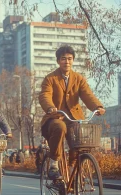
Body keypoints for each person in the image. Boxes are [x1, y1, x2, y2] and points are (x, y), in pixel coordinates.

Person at [39, 45, 105, 179]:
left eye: (69, 59)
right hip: (55, 118)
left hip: (74, 118)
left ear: (73, 60)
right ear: (58, 61)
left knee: (80, 139)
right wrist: (50, 107)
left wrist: (97, 106)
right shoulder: (50, 78)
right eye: (63, 59)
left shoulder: (78, 78)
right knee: (60, 127)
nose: (67, 62)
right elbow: (44, 95)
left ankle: (72, 169)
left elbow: (88, 95)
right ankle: (54, 164)